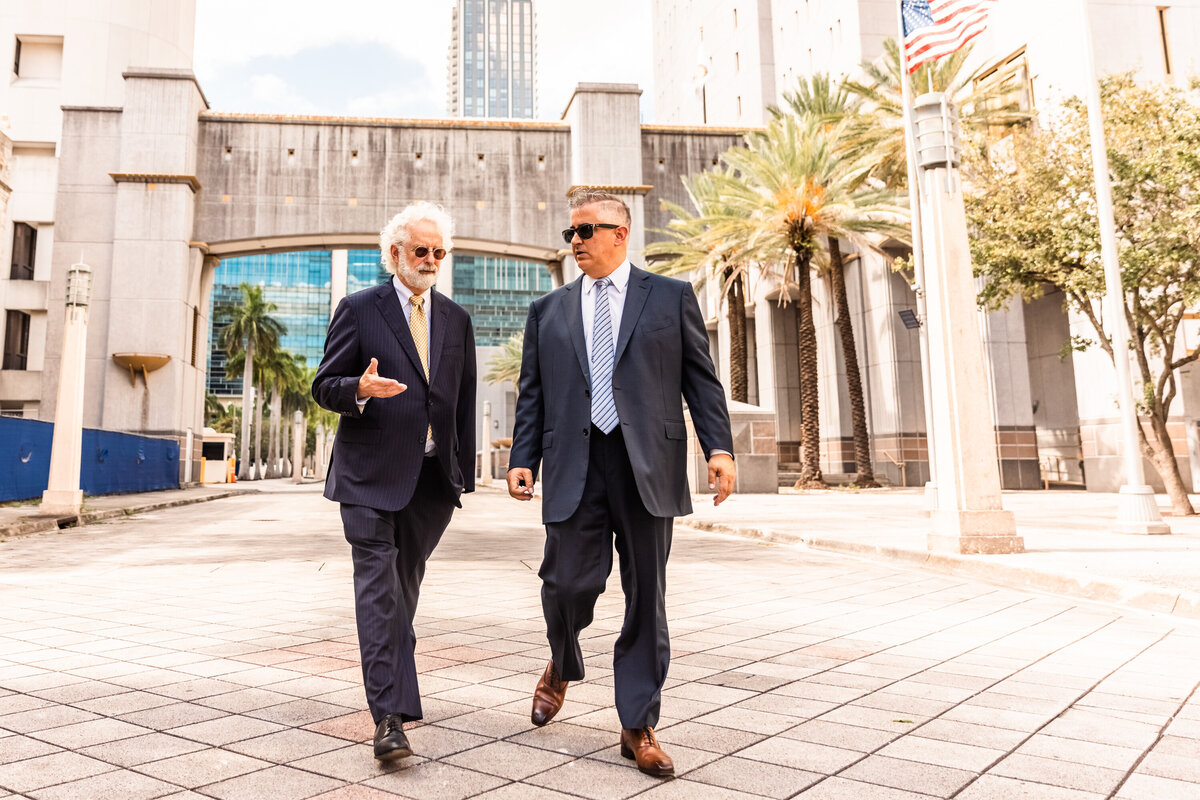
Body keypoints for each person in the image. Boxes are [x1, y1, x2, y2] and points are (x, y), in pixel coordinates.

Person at [507, 189, 736, 778]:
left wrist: (719, 447)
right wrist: (522, 456)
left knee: (646, 599)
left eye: (587, 231)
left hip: (646, 467)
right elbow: (533, 393)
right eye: (571, 233)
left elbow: (700, 381)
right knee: (564, 583)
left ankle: (638, 723)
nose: (576, 242)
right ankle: (561, 661)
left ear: (620, 234)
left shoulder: (670, 297)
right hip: (573, 467)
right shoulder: (548, 311)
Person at [313, 202, 476, 761]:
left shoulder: (456, 319)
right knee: (379, 593)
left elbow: (463, 403)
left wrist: (463, 476)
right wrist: (357, 389)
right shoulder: (359, 309)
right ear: (394, 254)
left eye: (438, 252)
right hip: (367, 478)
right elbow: (324, 385)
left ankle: (392, 680)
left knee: (401, 595)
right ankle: (389, 719)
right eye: (421, 250)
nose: (431, 260)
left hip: (430, 484)